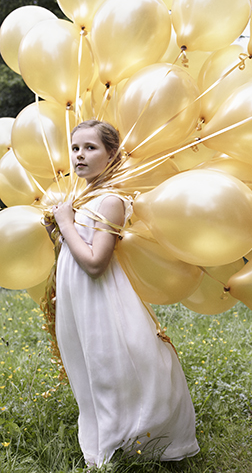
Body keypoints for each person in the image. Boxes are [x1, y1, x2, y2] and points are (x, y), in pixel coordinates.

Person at [47, 120, 199, 468]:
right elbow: (73, 251)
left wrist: (67, 223)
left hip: (101, 296)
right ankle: (106, 431)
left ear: (111, 155)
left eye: (91, 148)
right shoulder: (79, 198)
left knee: (110, 362)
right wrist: (58, 230)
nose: (80, 155)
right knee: (87, 363)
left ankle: (134, 435)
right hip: (78, 298)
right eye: (75, 148)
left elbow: (97, 262)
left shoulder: (110, 201)